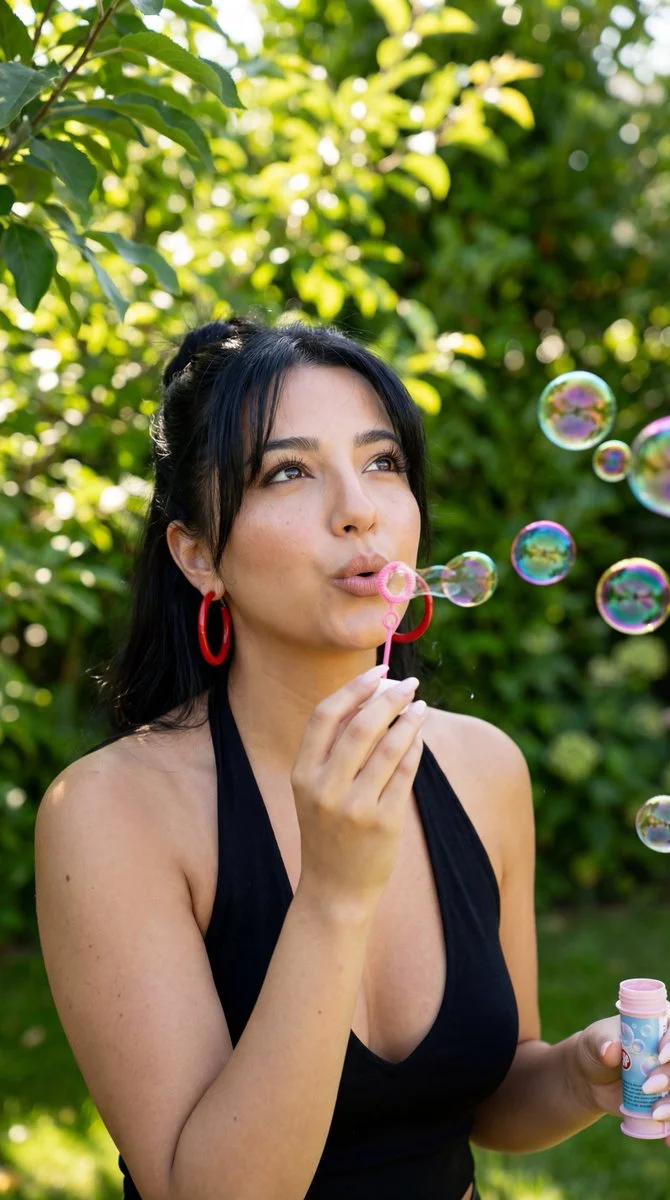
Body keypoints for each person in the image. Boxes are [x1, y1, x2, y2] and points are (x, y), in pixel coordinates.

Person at [34, 314, 666, 1200]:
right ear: (197, 555)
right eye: (288, 471)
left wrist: (577, 1077)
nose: (360, 508)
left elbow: (489, 1097)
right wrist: (333, 894)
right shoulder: (110, 813)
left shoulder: (484, 770)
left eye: (382, 462)